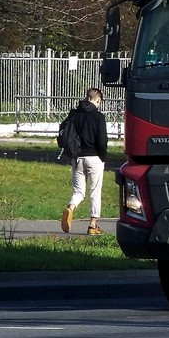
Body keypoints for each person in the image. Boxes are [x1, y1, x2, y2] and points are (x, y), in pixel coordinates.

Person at [61, 87, 109, 235]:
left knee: (79, 192)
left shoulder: (74, 114)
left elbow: (65, 132)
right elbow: (102, 140)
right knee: (95, 191)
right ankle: (93, 225)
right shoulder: (98, 116)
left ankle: (71, 208)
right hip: (94, 158)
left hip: (77, 158)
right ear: (97, 100)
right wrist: (103, 156)